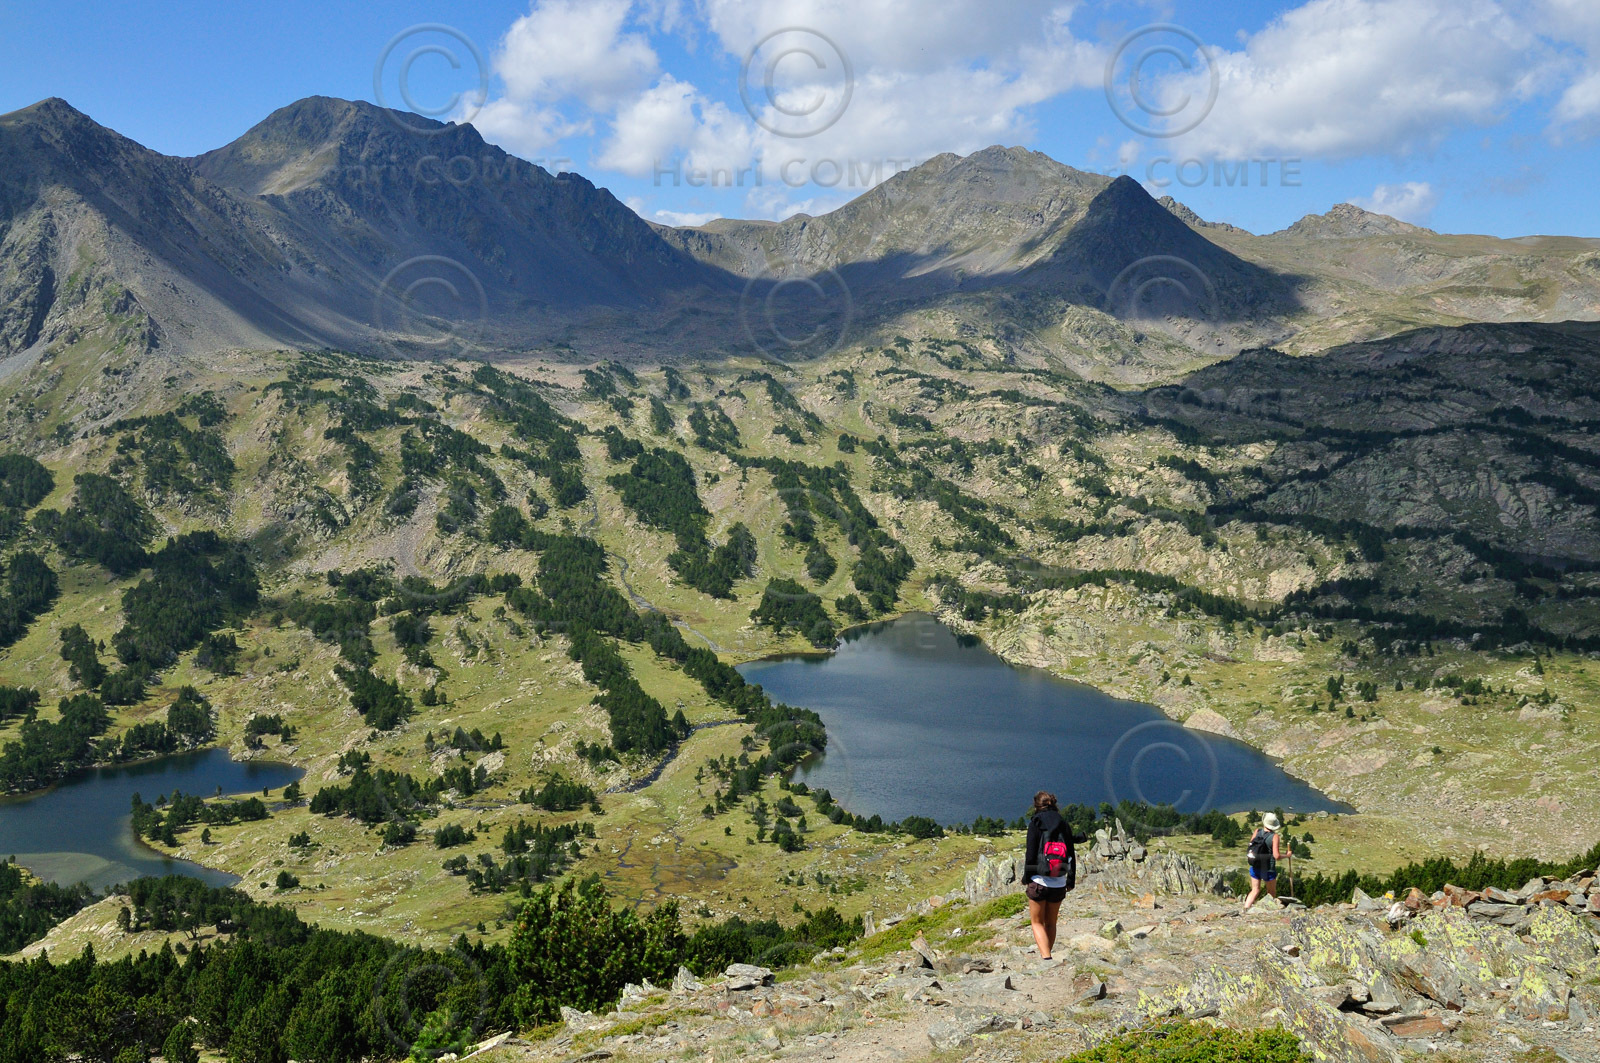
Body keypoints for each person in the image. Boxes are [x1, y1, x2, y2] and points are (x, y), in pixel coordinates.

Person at [1023, 790, 1074, 961]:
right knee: (1051, 923)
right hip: (1059, 882)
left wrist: (1026, 877)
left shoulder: (1035, 823)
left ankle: (1046, 958)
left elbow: (1030, 854)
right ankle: (1047, 955)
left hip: (1039, 881)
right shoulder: (1064, 824)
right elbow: (1071, 854)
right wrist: (1070, 880)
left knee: (1037, 922)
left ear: (1036, 805)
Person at [1242, 812, 1283, 911]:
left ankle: (1245, 908)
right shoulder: (1274, 836)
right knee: (1271, 893)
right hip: (1268, 868)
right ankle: (1271, 910)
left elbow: (1250, 846)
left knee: (1255, 890)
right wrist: (1287, 855)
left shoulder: (1257, 831)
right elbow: (1276, 856)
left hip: (1255, 865)